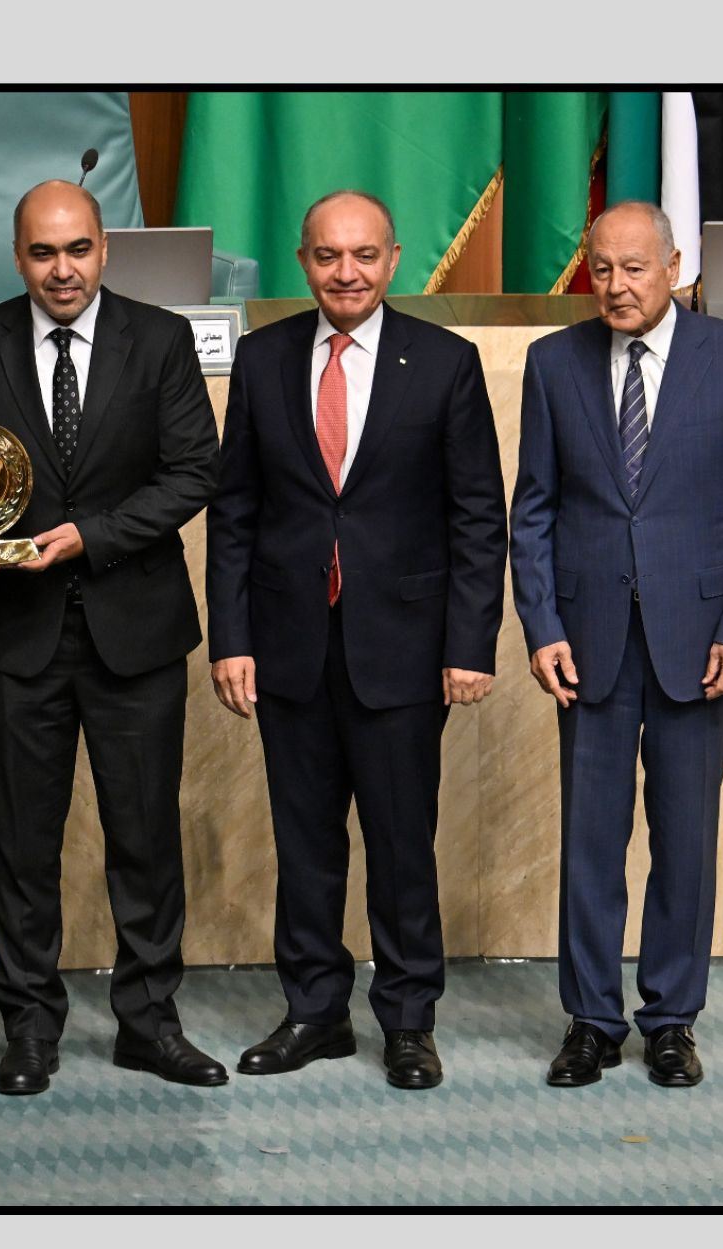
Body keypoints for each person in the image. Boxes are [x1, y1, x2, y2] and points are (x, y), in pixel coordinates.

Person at [0, 179, 227, 1096]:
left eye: (78, 249)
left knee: (146, 840)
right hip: (20, 636)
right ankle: (28, 1029)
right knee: (22, 845)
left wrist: (90, 537)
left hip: (136, 631)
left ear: (105, 249)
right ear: (18, 258)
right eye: (43, 252)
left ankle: (150, 1023)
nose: (63, 270)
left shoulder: (161, 338)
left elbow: (195, 471)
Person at [206, 191, 509, 1090]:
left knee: (402, 845)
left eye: (365, 256)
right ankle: (315, 1011)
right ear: (304, 261)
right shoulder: (262, 360)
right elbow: (234, 512)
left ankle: (409, 1020)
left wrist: (470, 644)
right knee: (304, 845)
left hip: (405, 650)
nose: (348, 273)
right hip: (288, 644)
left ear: (394, 259)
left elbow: (477, 516)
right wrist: (230, 637)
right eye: (329, 256)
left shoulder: (446, 363)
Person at [512, 204, 723, 1091]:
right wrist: (543, 626)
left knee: (685, 840)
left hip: (699, 646)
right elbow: (533, 512)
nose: (617, 286)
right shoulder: (552, 363)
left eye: (634, 268)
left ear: (674, 266)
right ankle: (591, 1021)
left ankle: (672, 1021)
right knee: (590, 843)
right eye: (601, 269)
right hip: (588, 642)